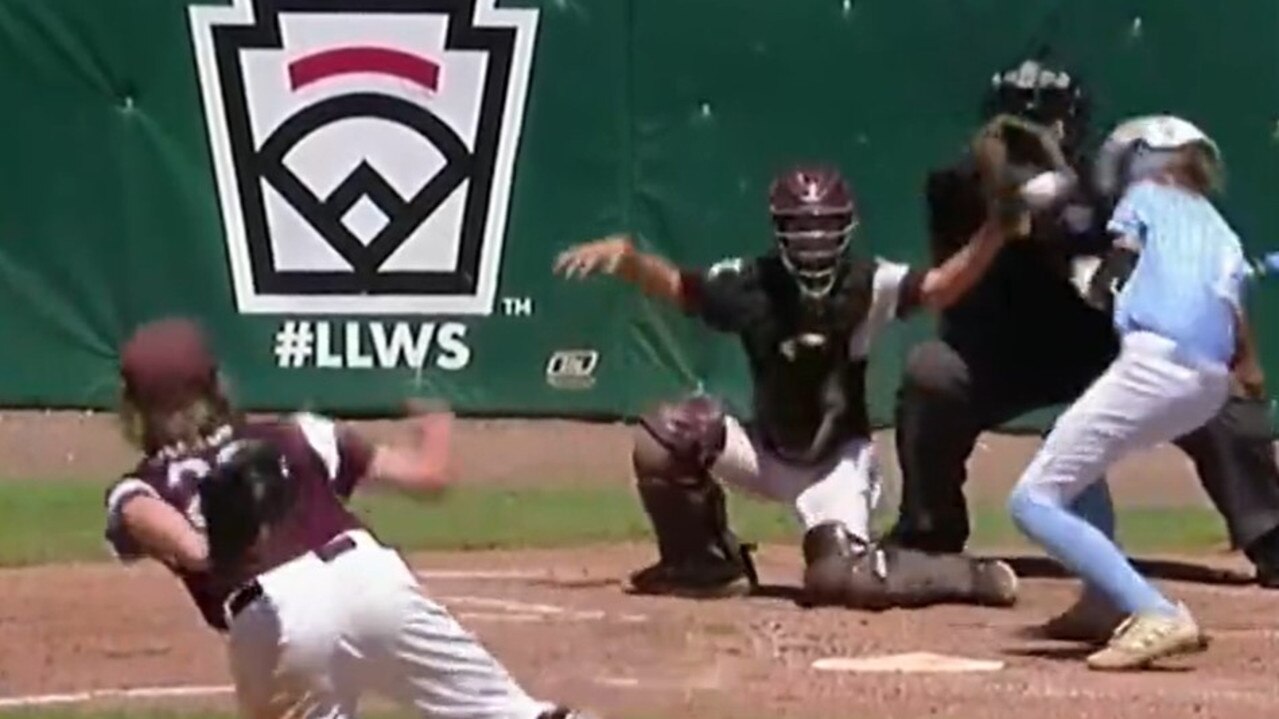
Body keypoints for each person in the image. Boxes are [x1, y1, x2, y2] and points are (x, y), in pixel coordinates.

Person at [888, 57, 1279, 640]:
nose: (1022, 134)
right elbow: (953, 291)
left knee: (1210, 381)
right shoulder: (955, 187)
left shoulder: (1116, 181)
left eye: (1041, 120)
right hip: (1005, 354)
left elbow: (1199, 270)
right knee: (931, 372)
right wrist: (1004, 220)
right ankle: (929, 534)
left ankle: (1269, 533)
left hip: (1112, 349)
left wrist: (1244, 358)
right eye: (1011, 120)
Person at [553, 164, 1020, 610]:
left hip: (836, 463)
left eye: (824, 228)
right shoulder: (752, 283)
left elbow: (939, 287)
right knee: (664, 435)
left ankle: (967, 575)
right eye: (801, 230)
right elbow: (681, 288)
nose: (814, 242)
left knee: (836, 580)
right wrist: (630, 261)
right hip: (765, 451)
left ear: (847, 228)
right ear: (779, 231)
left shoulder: (868, 284)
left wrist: (993, 231)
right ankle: (704, 564)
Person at [103, 318, 590, 719]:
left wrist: (223, 540)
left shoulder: (139, 488)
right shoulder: (298, 434)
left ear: (134, 408)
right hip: (371, 581)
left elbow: (190, 548)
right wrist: (437, 423)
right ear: (216, 382)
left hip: (276, 620)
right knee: (514, 714)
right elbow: (430, 477)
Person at [1008, 115, 1248, 670]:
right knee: (1077, 450)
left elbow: (1105, 284)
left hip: (1154, 364)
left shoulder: (1141, 197)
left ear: (1140, 157)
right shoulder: (1217, 226)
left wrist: (1063, 246)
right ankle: (1101, 601)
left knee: (1032, 500)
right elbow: (1232, 321)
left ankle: (1154, 609)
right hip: (1207, 381)